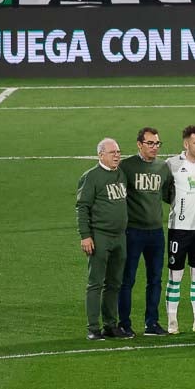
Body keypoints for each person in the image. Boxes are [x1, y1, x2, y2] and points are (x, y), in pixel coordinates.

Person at [118, 127, 172, 337]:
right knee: (127, 279)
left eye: (157, 143)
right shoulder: (127, 166)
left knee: (155, 279)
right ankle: (124, 323)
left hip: (156, 232)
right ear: (139, 144)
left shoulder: (162, 167)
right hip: (133, 231)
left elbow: (169, 194)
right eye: (150, 143)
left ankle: (152, 323)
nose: (154, 148)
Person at [77, 138, 129, 341]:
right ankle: (92, 327)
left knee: (114, 283)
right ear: (101, 155)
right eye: (112, 152)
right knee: (95, 283)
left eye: (118, 152)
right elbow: (82, 207)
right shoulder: (91, 177)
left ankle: (110, 325)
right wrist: (85, 236)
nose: (117, 155)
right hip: (100, 236)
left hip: (120, 237)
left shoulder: (121, 174)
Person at [163, 125, 195, 334]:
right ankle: (172, 322)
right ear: (186, 144)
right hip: (179, 228)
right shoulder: (172, 164)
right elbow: (164, 191)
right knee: (176, 276)